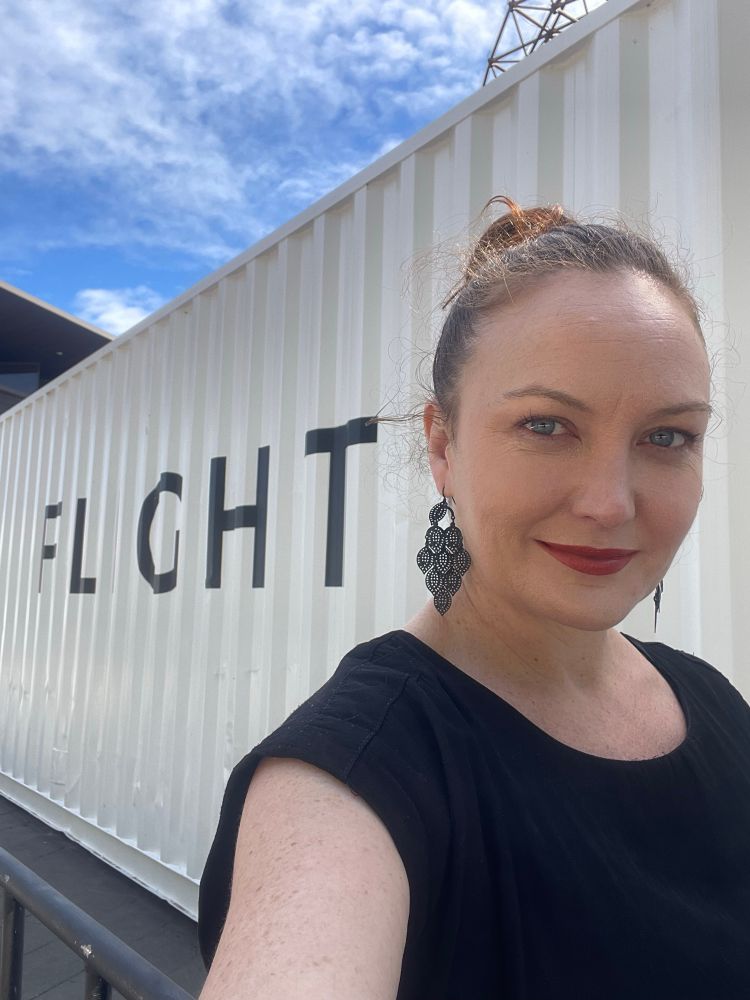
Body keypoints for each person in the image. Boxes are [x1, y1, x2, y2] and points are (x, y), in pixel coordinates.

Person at [197, 197, 750, 999]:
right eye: (547, 425)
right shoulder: (350, 780)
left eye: (667, 437)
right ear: (443, 446)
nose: (610, 503)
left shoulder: (712, 702)